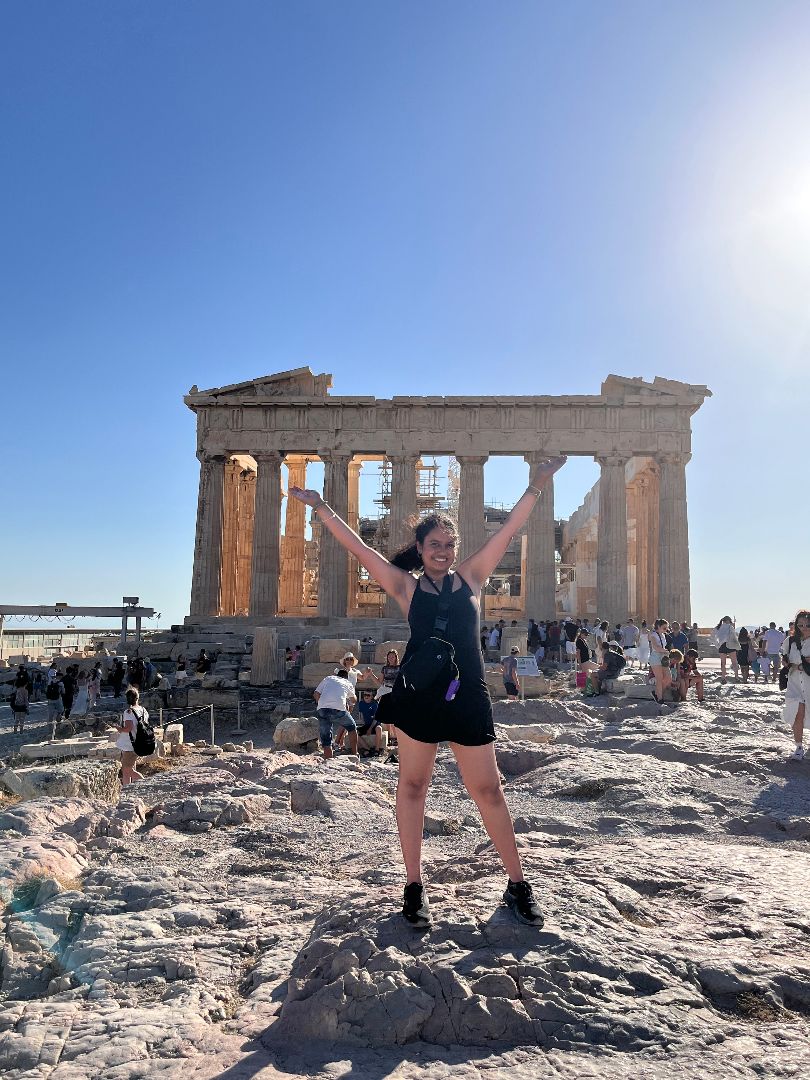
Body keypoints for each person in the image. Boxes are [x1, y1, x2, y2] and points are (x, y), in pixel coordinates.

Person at [290, 454, 567, 928]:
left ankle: (518, 884)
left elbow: (511, 530)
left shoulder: (473, 578)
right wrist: (321, 507)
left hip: (467, 696)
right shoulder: (404, 586)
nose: (443, 550)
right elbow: (359, 551)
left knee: (489, 790)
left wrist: (538, 483)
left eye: (449, 544)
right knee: (413, 786)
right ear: (419, 548)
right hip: (420, 698)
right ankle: (414, 886)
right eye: (434, 544)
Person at [780, 611, 810, 760]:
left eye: (808, 625)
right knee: (798, 713)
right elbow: (784, 658)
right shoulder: (790, 641)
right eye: (801, 625)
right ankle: (798, 746)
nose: (804, 628)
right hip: (795, 684)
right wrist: (786, 663)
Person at [313, 668, 358, 759]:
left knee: (326, 737)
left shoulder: (328, 678)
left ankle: (328, 759)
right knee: (352, 727)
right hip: (338, 708)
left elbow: (316, 694)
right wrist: (349, 701)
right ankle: (355, 754)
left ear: (337, 675)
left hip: (322, 708)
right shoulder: (347, 682)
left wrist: (322, 704)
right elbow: (354, 699)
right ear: (346, 677)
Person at [115, 688, 146, 785]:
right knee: (127, 770)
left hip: (130, 745)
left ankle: (146, 782)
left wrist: (119, 729)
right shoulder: (143, 710)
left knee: (127, 770)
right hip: (140, 742)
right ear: (137, 698)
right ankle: (126, 789)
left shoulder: (129, 712)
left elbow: (129, 728)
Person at [355, 689, 385, 755]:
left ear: (371, 696)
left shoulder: (375, 704)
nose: (366, 696)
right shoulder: (361, 703)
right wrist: (364, 726)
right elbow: (362, 716)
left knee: (379, 728)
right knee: (354, 732)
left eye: (368, 695)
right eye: (365, 695)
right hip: (367, 724)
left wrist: (370, 729)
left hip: (375, 725)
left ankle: (377, 750)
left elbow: (376, 718)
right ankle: (367, 749)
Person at [713, 616, 740, 684]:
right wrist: (737, 646)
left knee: (723, 663)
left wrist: (717, 645)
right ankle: (736, 677)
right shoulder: (730, 627)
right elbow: (734, 637)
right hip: (730, 645)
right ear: (728, 621)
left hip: (722, 646)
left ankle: (723, 678)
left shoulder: (718, 627)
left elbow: (713, 636)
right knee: (734, 662)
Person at [648, 620, 670, 702]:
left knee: (668, 678)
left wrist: (665, 652)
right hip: (655, 656)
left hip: (663, 656)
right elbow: (655, 647)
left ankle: (656, 693)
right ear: (658, 626)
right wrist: (665, 651)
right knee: (659, 678)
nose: (666, 629)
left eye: (666, 627)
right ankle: (660, 698)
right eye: (664, 627)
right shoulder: (653, 635)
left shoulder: (663, 635)